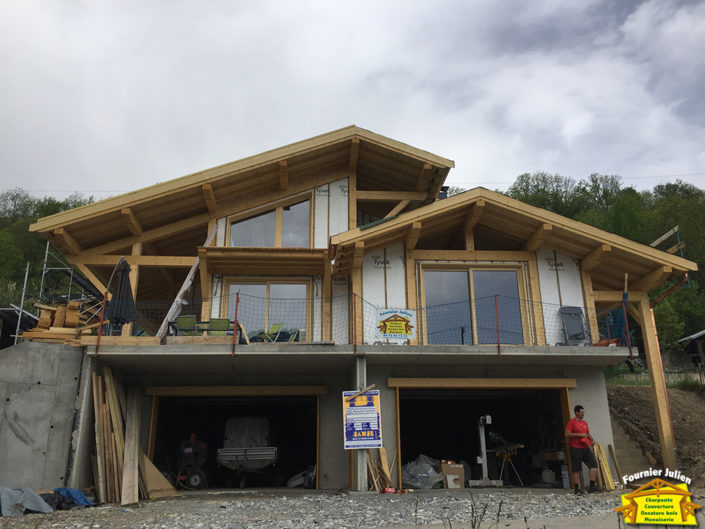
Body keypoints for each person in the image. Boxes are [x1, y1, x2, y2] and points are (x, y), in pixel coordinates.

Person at [565, 405, 600, 494]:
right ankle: (577, 488)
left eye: (583, 412)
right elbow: (567, 434)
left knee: (593, 463)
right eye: (581, 412)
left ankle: (592, 485)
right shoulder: (571, 422)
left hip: (585, 447)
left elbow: (587, 433)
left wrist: (592, 440)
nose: (582, 414)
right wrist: (579, 435)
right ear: (576, 413)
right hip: (575, 448)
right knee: (576, 468)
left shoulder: (584, 423)